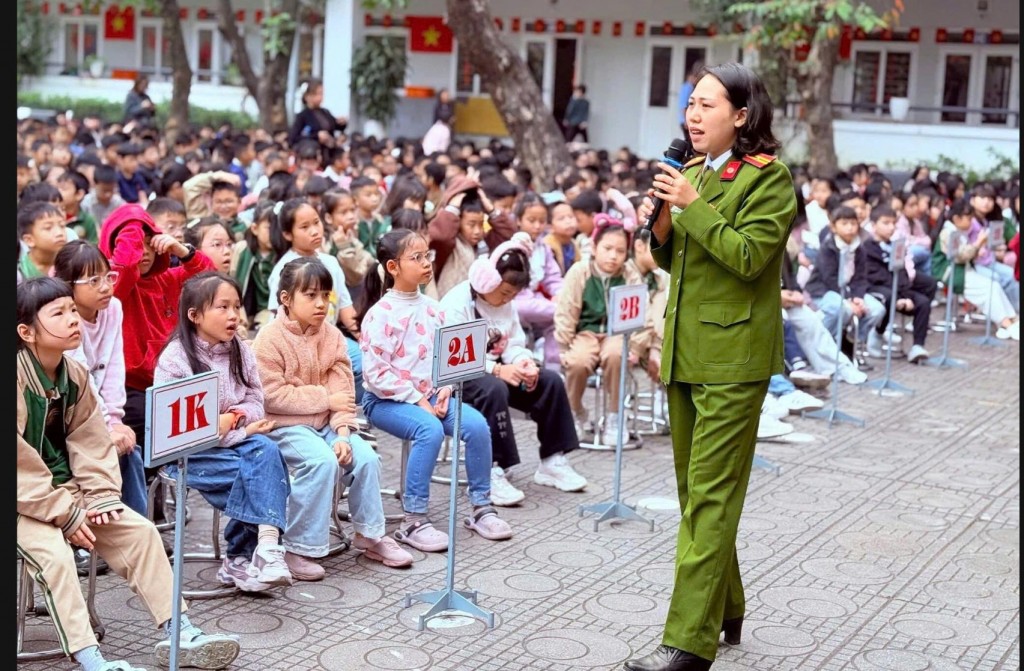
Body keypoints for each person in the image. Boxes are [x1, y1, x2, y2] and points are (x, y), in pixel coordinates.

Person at [627, 62, 798, 671]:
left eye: (707, 105)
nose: (693, 116)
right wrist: (666, 221)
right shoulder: (691, 172)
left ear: (742, 116)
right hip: (686, 350)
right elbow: (679, 261)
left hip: (734, 362)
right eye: (690, 104)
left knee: (709, 498)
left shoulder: (769, 179)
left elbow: (750, 259)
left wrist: (693, 206)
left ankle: (688, 644)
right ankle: (727, 608)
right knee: (695, 494)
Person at [16, 277, 240, 671]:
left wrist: (100, 494)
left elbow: (90, 440)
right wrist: (64, 513)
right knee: (55, 554)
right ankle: (91, 660)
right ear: (26, 332)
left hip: (62, 492)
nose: (73, 320)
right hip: (22, 500)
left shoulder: (74, 374)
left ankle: (180, 631)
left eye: (72, 310)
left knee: (139, 531)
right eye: (59, 313)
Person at [253, 258, 413, 577]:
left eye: (325, 295)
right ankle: (298, 547)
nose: (320, 303)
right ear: (286, 299)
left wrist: (342, 432)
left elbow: (342, 388)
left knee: (366, 457)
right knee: (321, 462)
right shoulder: (269, 338)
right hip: (284, 427)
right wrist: (325, 399)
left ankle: (369, 534)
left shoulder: (332, 336)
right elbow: (272, 395)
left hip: (327, 424)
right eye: (310, 295)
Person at [359, 229, 514, 552]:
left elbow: (448, 358)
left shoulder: (434, 308)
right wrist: (418, 399)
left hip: (432, 396)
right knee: (428, 429)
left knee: (476, 426)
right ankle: (413, 518)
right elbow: (376, 375)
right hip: (386, 401)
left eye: (427, 255)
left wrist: (445, 389)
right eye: (416, 258)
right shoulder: (380, 315)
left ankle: (481, 506)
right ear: (393, 267)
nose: (427, 263)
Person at [154, 272, 294, 592]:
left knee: (267, 452)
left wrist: (235, 418)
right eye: (223, 307)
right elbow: (177, 431)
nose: (234, 315)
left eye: (237, 306)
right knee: (263, 475)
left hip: (233, 441)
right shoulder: (175, 360)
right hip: (191, 454)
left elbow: (256, 399)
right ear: (195, 315)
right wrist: (234, 429)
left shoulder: (240, 350)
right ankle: (242, 556)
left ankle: (265, 549)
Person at [440, 233, 587, 505]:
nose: (508, 299)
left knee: (550, 381)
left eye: (514, 294)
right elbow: (454, 359)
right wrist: (497, 370)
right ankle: (492, 468)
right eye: (505, 292)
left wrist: (523, 362)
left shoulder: (506, 304)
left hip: (498, 369)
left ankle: (553, 461)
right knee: (493, 388)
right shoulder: (456, 302)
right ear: (487, 280)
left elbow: (514, 342)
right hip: (458, 378)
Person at [54, 241, 147, 519]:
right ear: (68, 285)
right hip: (68, 409)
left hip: (102, 410)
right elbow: (82, 378)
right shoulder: (66, 320)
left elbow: (115, 367)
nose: (106, 287)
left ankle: (137, 532)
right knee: (105, 451)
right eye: (94, 280)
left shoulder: (113, 309)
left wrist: (116, 421)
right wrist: (106, 427)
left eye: (109, 276)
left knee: (131, 449)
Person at [554, 216, 643, 446]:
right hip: (586, 333)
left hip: (617, 334)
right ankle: (575, 411)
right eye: (608, 248)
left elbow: (640, 314)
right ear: (594, 248)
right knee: (577, 362)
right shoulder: (580, 272)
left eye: (621, 251)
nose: (614, 256)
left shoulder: (630, 274)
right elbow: (567, 309)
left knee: (616, 356)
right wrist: (563, 345)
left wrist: (635, 345)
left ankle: (615, 416)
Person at [265, 198, 364, 399]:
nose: (315, 231)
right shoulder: (285, 270)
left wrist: (364, 340)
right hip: (296, 341)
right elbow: (279, 316)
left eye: (316, 222)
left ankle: (351, 408)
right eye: (304, 227)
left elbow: (345, 307)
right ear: (287, 234)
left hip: (329, 337)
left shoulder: (330, 262)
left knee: (363, 363)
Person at [804, 205, 887, 364]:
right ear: (833, 227)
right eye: (844, 224)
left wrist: (858, 298)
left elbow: (861, 277)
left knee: (877, 309)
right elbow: (830, 278)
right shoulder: (828, 248)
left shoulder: (859, 248)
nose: (849, 228)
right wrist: (848, 300)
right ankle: (820, 345)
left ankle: (854, 340)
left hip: (850, 291)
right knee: (840, 309)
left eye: (853, 223)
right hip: (825, 290)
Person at [932, 198, 1019, 340]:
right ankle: (1005, 324)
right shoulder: (949, 233)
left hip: (964, 270)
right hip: (952, 272)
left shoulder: (958, 231)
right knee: (987, 290)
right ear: (956, 218)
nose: (971, 221)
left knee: (994, 285)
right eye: (968, 218)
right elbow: (960, 256)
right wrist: (978, 243)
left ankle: (1011, 318)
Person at [863, 204, 937, 363]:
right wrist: (898, 297)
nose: (890, 227)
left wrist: (904, 295)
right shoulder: (867, 247)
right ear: (873, 225)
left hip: (898, 288)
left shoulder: (896, 246)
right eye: (885, 223)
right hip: (876, 288)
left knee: (922, 302)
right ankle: (877, 333)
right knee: (889, 297)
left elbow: (902, 271)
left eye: (893, 224)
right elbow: (876, 276)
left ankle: (917, 346)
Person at [510, 192, 564, 369]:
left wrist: (560, 293)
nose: (537, 226)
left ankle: (553, 365)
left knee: (557, 320)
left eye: (542, 221)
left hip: (534, 299)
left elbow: (552, 277)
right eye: (531, 220)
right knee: (560, 312)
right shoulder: (512, 246)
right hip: (514, 300)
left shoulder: (544, 247)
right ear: (518, 220)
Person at [288, 78, 347, 164]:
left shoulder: (325, 112)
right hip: (313, 154)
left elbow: (335, 126)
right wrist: (316, 136)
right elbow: (293, 138)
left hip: (329, 153)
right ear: (308, 96)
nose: (320, 97)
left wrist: (342, 123)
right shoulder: (303, 116)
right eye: (317, 94)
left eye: (321, 94)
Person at [677, 60, 704, 141]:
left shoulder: (691, 87)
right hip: (685, 120)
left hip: (687, 119)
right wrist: (686, 120)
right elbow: (683, 105)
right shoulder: (688, 88)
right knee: (689, 140)